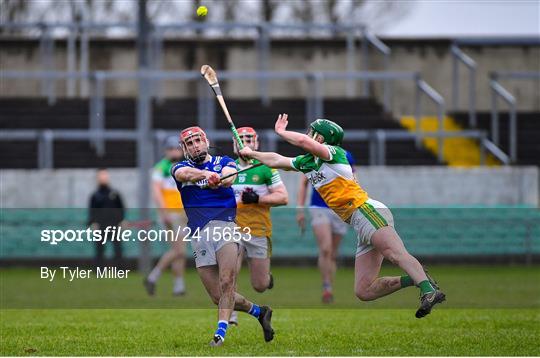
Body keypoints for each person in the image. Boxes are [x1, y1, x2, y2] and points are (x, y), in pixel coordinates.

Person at [239, 114, 446, 319]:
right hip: (358, 221)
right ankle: (416, 278)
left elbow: (302, 141)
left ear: (320, 139)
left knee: (395, 253)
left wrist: (281, 132)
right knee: (364, 291)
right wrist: (251, 153)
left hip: (366, 210)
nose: (307, 134)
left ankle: (429, 291)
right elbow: (277, 160)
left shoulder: (333, 153)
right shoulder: (309, 162)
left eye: (312, 132)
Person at [171, 126, 274, 346]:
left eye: (198, 141)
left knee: (227, 281)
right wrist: (206, 175)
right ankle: (259, 312)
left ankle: (220, 334)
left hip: (225, 227)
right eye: (189, 144)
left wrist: (220, 177)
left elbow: (228, 177)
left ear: (206, 141)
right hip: (198, 233)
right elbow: (183, 175)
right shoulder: (180, 167)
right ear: (184, 149)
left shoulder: (224, 161)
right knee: (218, 297)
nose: (195, 145)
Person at [229, 127, 288, 325]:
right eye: (240, 140)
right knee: (229, 273)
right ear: (234, 144)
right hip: (232, 229)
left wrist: (257, 198)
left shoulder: (265, 168)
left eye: (249, 139)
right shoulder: (229, 169)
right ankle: (232, 316)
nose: (244, 143)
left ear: (256, 144)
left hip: (258, 230)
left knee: (260, 285)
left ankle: (266, 277)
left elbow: (283, 197)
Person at [296, 150, 355, 304]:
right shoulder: (311, 156)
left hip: (340, 208)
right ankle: (326, 287)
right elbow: (303, 184)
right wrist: (300, 210)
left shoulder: (345, 155)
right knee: (326, 249)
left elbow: (354, 180)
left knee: (333, 254)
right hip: (319, 207)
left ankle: (330, 285)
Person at [144, 136, 187, 296]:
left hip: (183, 212)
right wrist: (163, 213)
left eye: (176, 148)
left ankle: (178, 286)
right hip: (170, 213)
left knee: (179, 251)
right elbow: (157, 193)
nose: (174, 152)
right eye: (171, 149)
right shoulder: (160, 168)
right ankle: (153, 276)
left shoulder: (183, 166)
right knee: (178, 250)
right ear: (165, 150)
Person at [88, 168, 125, 268]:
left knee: (117, 248)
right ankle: (99, 269)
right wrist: (93, 222)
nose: (103, 178)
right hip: (100, 225)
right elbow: (92, 211)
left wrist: (122, 220)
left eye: (105, 175)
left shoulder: (114, 193)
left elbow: (121, 208)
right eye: (101, 176)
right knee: (99, 249)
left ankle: (119, 269)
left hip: (114, 225)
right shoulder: (95, 195)